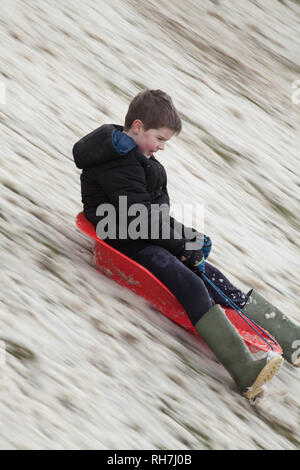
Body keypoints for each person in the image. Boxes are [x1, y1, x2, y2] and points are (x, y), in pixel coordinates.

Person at [73, 89, 298, 402]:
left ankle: (290, 338)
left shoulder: (144, 160)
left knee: (211, 274)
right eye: (160, 139)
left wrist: (188, 239)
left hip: (141, 232)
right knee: (191, 283)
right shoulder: (119, 164)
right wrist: (181, 244)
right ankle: (244, 370)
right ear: (137, 128)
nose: (163, 147)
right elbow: (139, 219)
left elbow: (156, 216)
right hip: (123, 238)